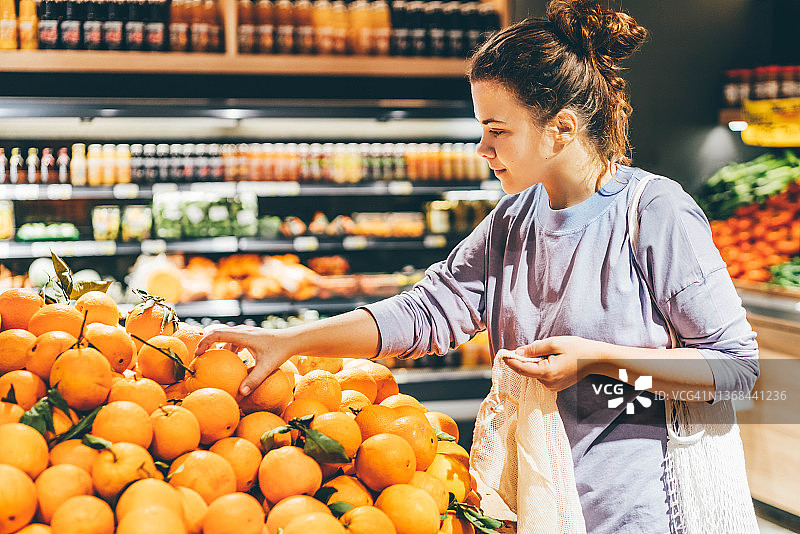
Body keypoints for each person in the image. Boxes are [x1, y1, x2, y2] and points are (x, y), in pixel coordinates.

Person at [195, 1, 759, 532]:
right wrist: (290, 342)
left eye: (497, 130)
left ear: (561, 128)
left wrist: (602, 360)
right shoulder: (513, 220)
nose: (482, 149)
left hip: (637, 514)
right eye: (481, 129)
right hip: (535, 506)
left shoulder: (653, 212)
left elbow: (740, 372)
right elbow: (425, 312)